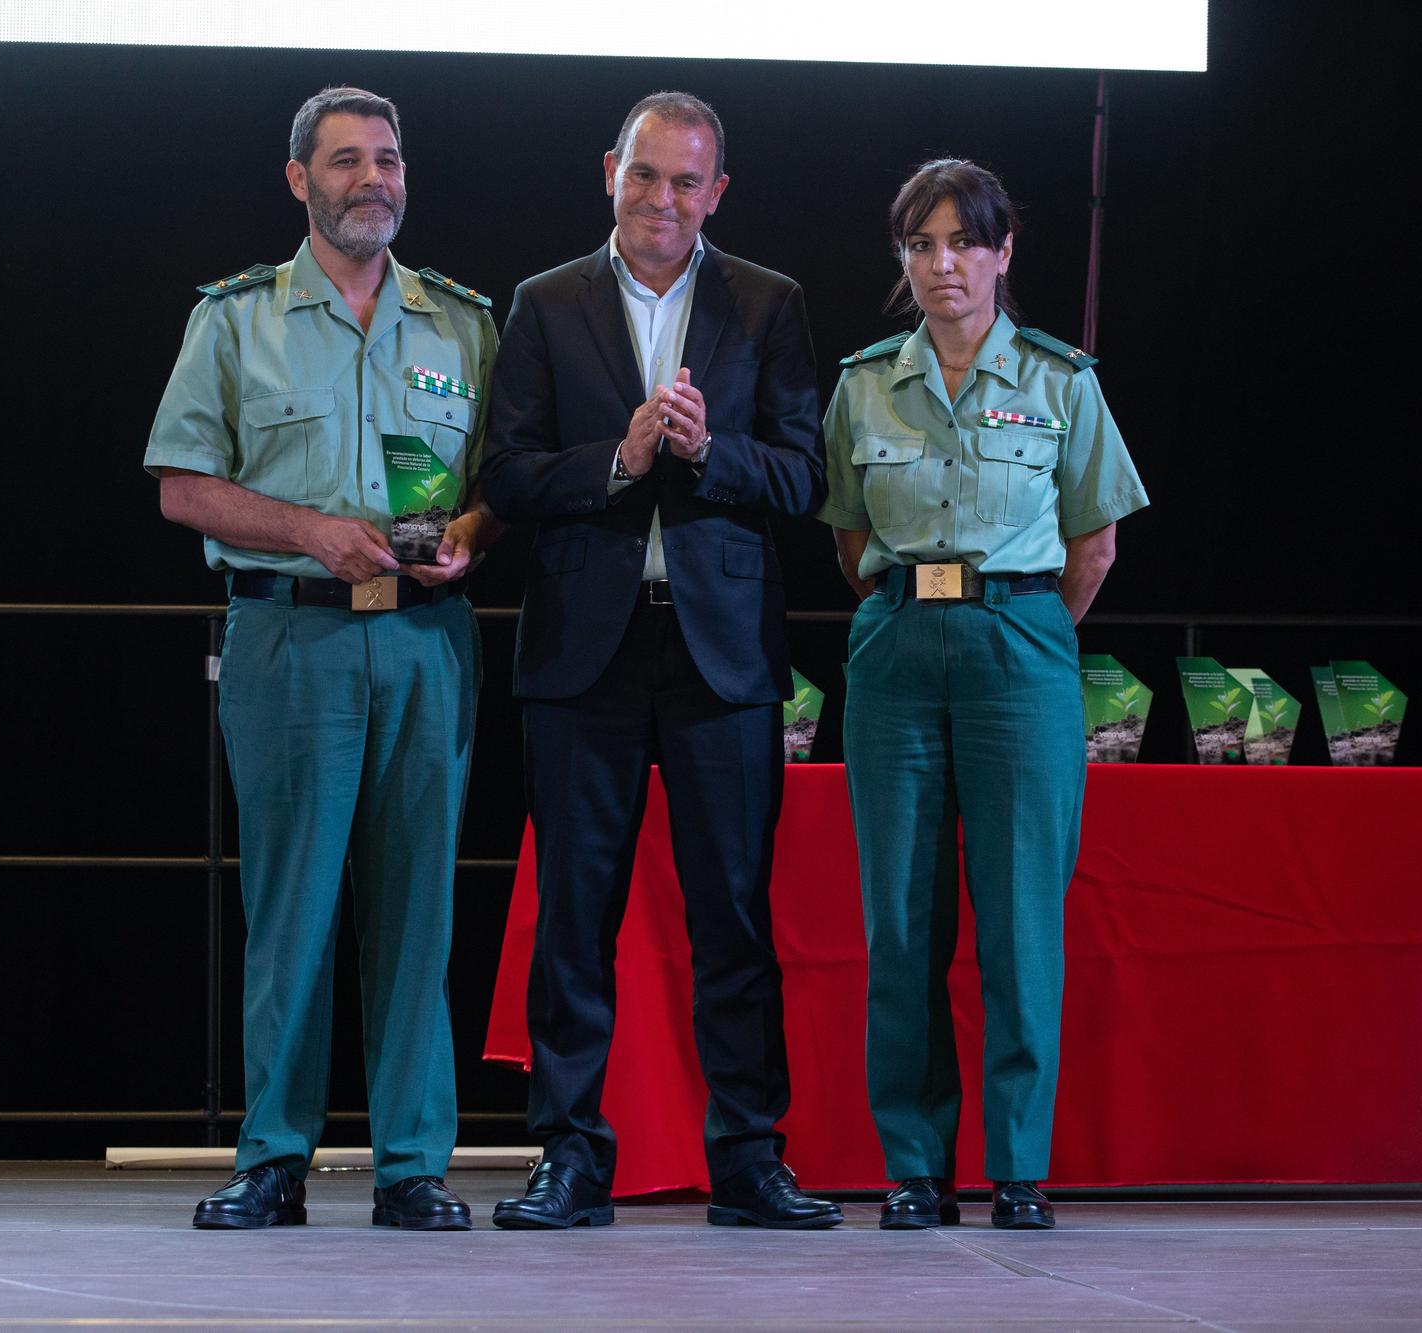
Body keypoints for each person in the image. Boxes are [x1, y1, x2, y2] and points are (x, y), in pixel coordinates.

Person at [143, 85, 501, 1232]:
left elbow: (499, 485)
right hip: (289, 634)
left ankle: (410, 1163)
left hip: (424, 637)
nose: (373, 180)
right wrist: (308, 530)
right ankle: (273, 1156)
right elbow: (181, 486)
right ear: (300, 180)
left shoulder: (459, 322)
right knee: (291, 904)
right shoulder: (237, 319)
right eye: (346, 161)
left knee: (416, 912)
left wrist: (466, 537)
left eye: (388, 159)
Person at [479, 91, 838, 1230]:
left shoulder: (766, 302)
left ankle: (746, 1155)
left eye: (687, 182)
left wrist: (708, 451)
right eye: (646, 176)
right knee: (573, 918)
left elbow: (801, 479)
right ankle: (569, 1154)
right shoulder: (542, 303)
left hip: (718, 655)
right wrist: (623, 457)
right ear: (609, 174)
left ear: (715, 193)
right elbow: (509, 479)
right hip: (583, 650)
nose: (663, 201)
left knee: (732, 915)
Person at [819, 159, 1149, 1231]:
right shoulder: (863, 381)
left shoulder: (1060, 381)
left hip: (1020, 647)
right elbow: (849, 538)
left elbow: (1091, 544)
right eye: (920, 244)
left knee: (1017, 921)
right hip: (898, 644)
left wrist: (1019, 624)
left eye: (963, 241)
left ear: (1003, 254)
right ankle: (915, 1167)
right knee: (899, 926)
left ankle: (1016, 1167)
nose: (941, 264)